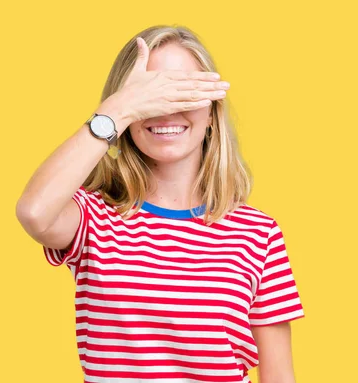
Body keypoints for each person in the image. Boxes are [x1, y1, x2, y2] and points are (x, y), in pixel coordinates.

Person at [16, 25, 305, 383]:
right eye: (151, 94)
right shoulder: (93, 218)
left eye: (183, 92)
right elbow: (33, 212)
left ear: (212, 112)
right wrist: (118, 110)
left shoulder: (258, 234)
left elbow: (279, 376)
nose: (166, 110)